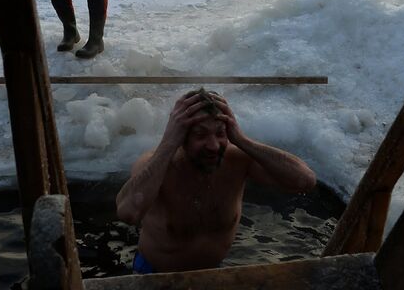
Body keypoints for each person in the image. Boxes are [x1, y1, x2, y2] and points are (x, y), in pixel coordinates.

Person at [115, 89, 317, 274]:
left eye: (220, 133)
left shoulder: (237, 161)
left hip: (212, 274)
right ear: (181, 136)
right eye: (200, 134)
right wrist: (168, 143)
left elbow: (304, 180)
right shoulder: (156, 166)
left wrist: (242, 140)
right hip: (155, 274)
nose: (213, 145)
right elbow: (128, 213)